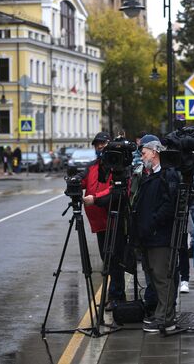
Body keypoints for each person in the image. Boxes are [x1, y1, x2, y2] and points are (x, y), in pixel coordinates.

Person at [131, 138, 180, 333]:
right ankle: (161, 315)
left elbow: (169, 205)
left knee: (162, 277)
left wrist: (152, 222)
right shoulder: (150, 175)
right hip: (149, 236)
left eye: (143, 153)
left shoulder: (167, 175)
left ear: (154, 153)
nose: (142, 157)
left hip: (160, 236)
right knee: (155, 277)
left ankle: (166, 319)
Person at [80, 132, 126, 311]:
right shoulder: (92, 166)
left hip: (114, 221)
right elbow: (84, 181)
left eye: (103, 143)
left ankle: (117, 296)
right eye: (97, 144)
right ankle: (112, 294)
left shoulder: (118, 167)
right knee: (106, 260)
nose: (100, 147)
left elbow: (116, 191)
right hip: (99, 223)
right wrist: (75, 182)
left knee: (115, 261)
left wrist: (95, 198)